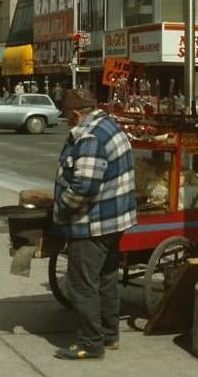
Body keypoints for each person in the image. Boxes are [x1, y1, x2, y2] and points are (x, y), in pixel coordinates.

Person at [52, 88, 136, 360]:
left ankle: (90, 343)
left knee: (82, 284)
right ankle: (110, 334)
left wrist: (61, 209)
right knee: (106, 278)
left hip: (93, 223)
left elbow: (84, 186)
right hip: (115, 221)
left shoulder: (89, 137)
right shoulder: (109, 125)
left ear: (77, 114)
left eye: (66, 116)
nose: (65, 120)